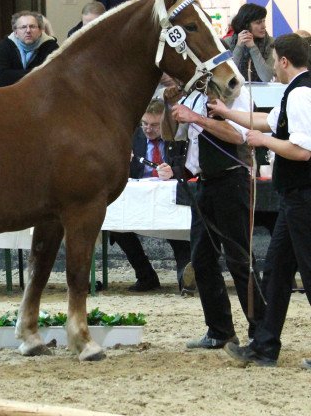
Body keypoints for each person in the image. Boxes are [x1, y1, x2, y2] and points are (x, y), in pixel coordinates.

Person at [207, 33, 311, 369]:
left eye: (273, 59)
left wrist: (263, 141)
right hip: (293, 201)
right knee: (276, 272)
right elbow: (265, 121)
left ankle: (265, 345)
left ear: (283, 61)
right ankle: (265, 346)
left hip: (304, 199)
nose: (271, 67)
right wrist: (225, 111)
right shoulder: (293, 92)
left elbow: (302, 150)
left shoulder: (301, 95)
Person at [162, 79, 265, 350]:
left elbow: (238, 135)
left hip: (232, 180)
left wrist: (195, 117)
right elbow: (170, 134)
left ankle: (261, 330)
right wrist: (169, 104)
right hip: (204, 182)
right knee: (202, 259)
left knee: (240, 258)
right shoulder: (193, 96)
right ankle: (220, 330)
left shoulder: (235, 93)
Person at [109, 99, 193, 293]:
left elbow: (191, 167)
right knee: (117, 226)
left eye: (154, 125)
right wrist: (122, 160)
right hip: (137, 197)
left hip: (170, 196)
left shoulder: (177, 136)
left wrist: (174, 171)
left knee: (176, 229)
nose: (148, 129)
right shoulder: (132, 136)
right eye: (144, 124)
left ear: (164, 123)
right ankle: (145, 274)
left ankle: (185, 276)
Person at [0, 10, 59, 87]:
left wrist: (14, 74)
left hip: (40, 94)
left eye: (32, 26)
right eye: (23, 27)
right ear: (16, 33)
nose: (28, 31)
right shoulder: (5, 45)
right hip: (10, 94)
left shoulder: (51, 46)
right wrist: (38, 73)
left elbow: (53, 76)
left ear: (40, 31)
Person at [223, 3, 274, 82]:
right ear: (246, 25)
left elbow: (267, 77)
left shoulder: (270, 43)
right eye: (258, 22)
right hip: (237, 92)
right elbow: (227, 76)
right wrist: (239, 47)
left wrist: (253, 48)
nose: (264, 26)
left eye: (264, 21)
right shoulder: (228, 42)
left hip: (263, 92)